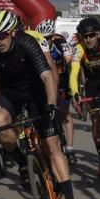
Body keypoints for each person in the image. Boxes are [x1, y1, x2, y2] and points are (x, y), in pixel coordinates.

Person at [0, 10, 83, 199]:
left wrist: (52, 105)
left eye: (2, 35)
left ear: (12, 33)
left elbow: (47, 77)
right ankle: (21, 162)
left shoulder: (27, 43)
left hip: (36, 92)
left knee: (52, 146)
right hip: (11, 94)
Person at [69, 17, 100, 177]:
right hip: (93, 85)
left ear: (98, 34)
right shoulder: (79, 49)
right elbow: (74, 73)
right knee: (97, 120)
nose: (88, 39)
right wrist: (75, 93)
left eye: (91, 35)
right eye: (85, 36)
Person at [34, 18, 77, 165]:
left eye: (47, 39)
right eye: (41, 39)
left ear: (52, 37)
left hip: (63, 79)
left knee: (64, 113)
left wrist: (73, 85)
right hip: (46, 81)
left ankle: (70, 148)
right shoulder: (37, 46)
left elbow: (70, 61)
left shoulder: (60, 42)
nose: (43, 42)